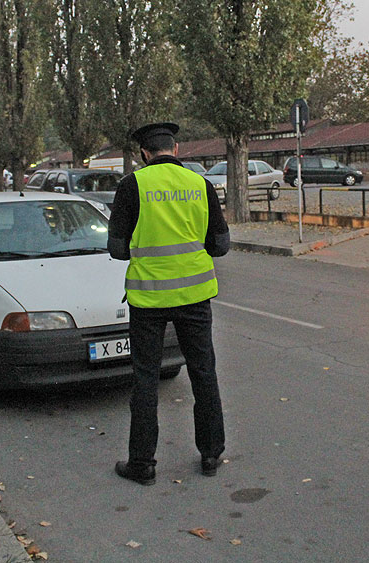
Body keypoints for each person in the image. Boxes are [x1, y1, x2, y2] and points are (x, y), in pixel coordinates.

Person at [107, 122, 230, 485]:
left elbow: (117, 249)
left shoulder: (132, 185)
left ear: (144, 153)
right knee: (203, 373)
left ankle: (142, 464)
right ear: (175, 150)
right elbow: (221, 245)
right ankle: (211, 454)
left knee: (145, 379)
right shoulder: (201, 185)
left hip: (148, 299)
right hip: (195, 296)